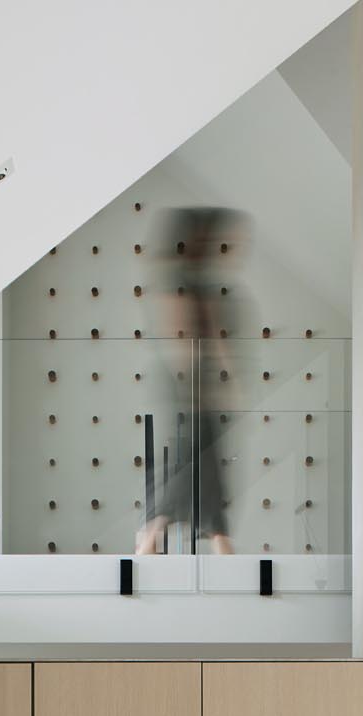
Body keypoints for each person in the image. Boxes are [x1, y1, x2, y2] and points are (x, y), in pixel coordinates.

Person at [136, 207, 252, 555]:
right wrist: (221, 380)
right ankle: (159, 535)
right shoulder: (190, 285)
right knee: (196, 459)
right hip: (193, 386)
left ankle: (161, 536)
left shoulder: (189, 282)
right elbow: (188, 335)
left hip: (192, 385)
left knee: (201, 460)